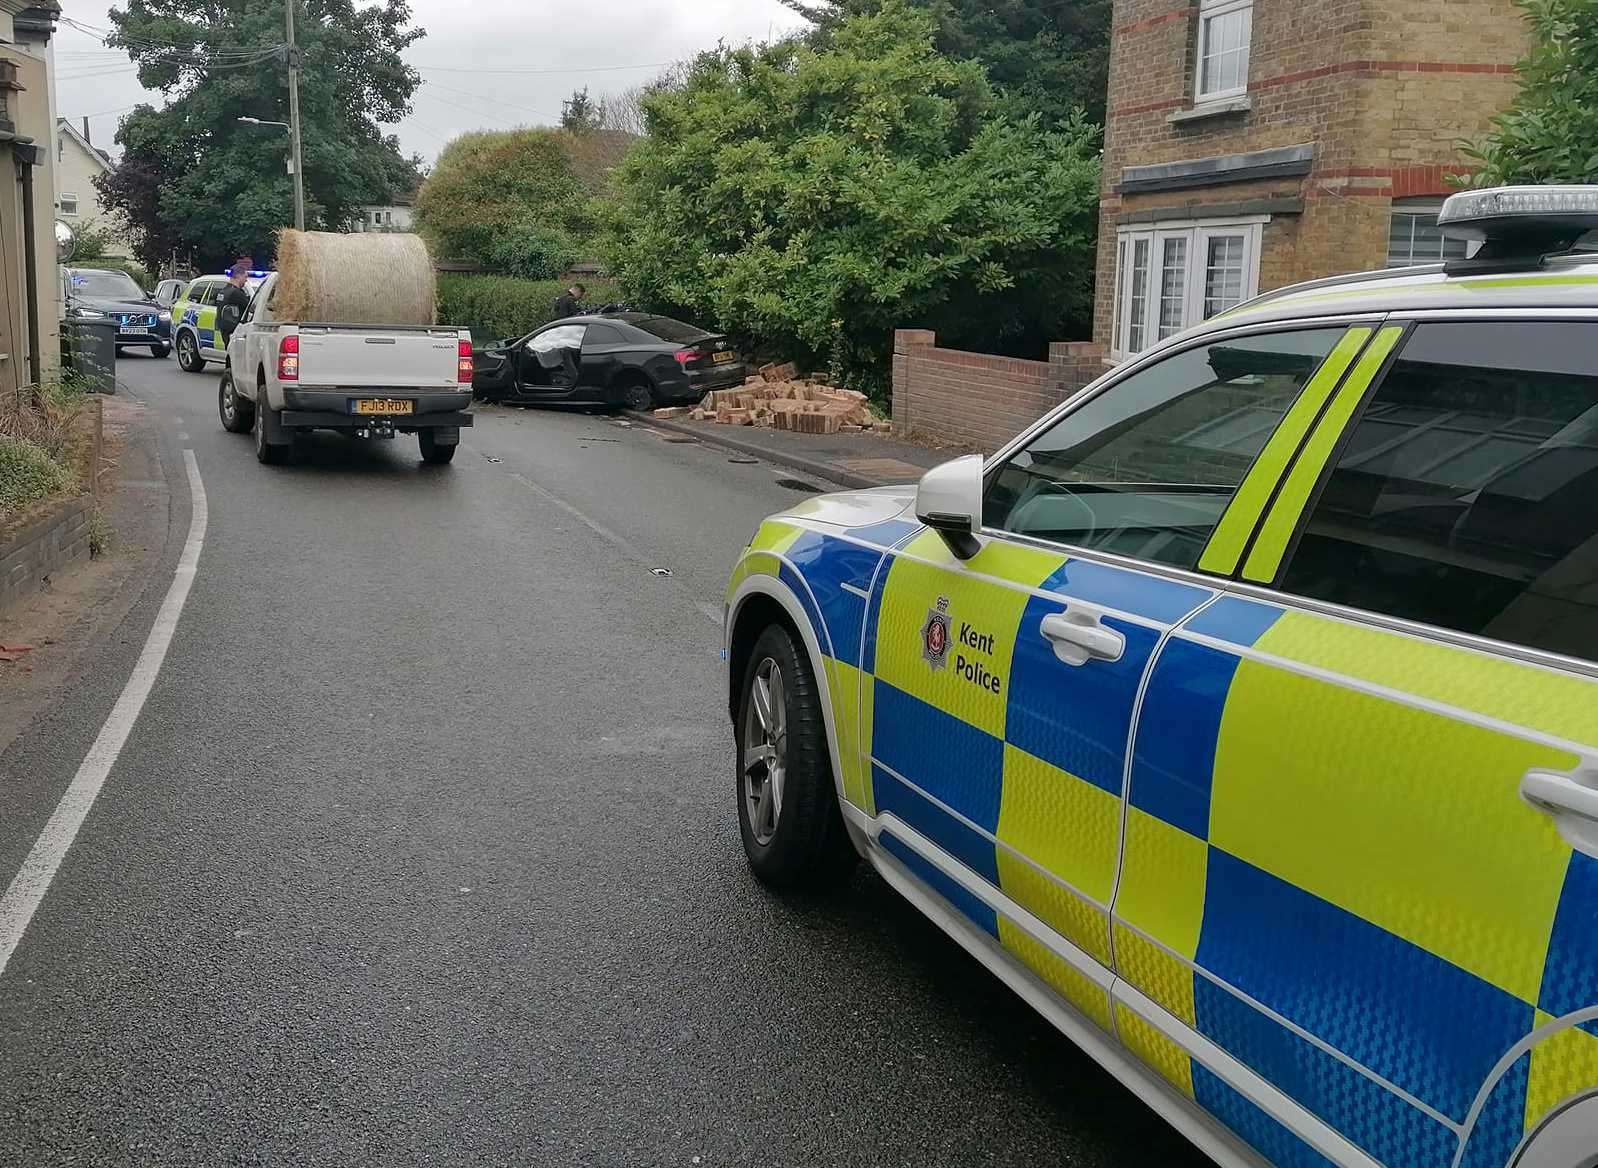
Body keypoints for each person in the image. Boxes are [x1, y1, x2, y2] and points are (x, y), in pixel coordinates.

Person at [217, 258, 254, 348]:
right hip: (235, 332)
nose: (246, 280)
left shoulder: (224, 291)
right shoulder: (236, 293)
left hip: (225, 331)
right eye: (245, 277)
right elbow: (251, 308)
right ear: (238, 276)